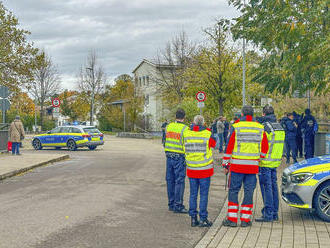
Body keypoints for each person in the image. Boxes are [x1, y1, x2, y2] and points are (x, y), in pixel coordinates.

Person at [222, 105, 269, 227]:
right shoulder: (260, 127)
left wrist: (226, 164)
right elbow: (265, 147)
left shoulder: (236, 127)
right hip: (252, 167)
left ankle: (232, 219)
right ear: (252, 114)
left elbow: (229, 146)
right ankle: (245, 220)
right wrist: (260, 158)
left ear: (242, 114)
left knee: (233, 191)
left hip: (237, 166)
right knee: (249, 192)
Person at [183, 115, 216, 227]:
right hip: (204, 169)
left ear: (193, 122)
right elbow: (213, 145)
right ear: (203, 123)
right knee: (203, 194)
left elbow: (184, 147)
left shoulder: (186, 133)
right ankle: (203, 218)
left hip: (192, 168)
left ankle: (193, 218)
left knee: (193, 194)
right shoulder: (208, 133)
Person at [255, 106, 285, 222]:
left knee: (266, 187)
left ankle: (268, 214)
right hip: (275, 162)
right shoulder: (279, 126)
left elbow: (261, 144)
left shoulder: (265, 127)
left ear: (263, 114)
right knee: (273, 187)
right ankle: (275, 213)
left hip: (265, 162)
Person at [164, 109, 188, 213]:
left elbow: (165, 140)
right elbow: (186, 144)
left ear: (175, 116)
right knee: (179, 181)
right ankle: (178, 205)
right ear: (184, 117)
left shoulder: (168, 127)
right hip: (179, 157)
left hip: (169, 156)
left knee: (170, 180)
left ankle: (171, 203)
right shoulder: (185, 129)